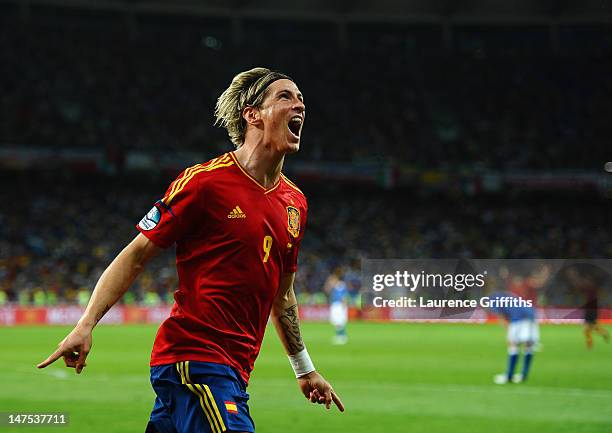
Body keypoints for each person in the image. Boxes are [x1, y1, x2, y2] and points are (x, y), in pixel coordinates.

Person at [37, 67, 344, 433]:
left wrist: (304, 368)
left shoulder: (295, 203)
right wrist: (85, 324)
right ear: (252, 114)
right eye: (286, 97)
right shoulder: (204, 183)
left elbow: (283, 295)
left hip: (233, 370)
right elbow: (136, 255)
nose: (300, 105)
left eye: (301, 100)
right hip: (196, 359)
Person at [488, 290, 539, 385]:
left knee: (513, 346)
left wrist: (509, 332)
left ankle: (509, 376)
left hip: (518, 320)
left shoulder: (493, 300)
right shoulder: (509, 296)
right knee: (528, 347)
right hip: (531, 316)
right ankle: (523, 375)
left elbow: (503, 318)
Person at [324, 267, 349, 345]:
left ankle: (341, 336)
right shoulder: (334, 286)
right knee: (336, 321)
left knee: (339, 320)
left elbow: (343, 296)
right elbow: (326, 290)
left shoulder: (341, 285)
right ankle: (341, 336)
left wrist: (344, 304)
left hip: (339, 305)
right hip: (335, 304)